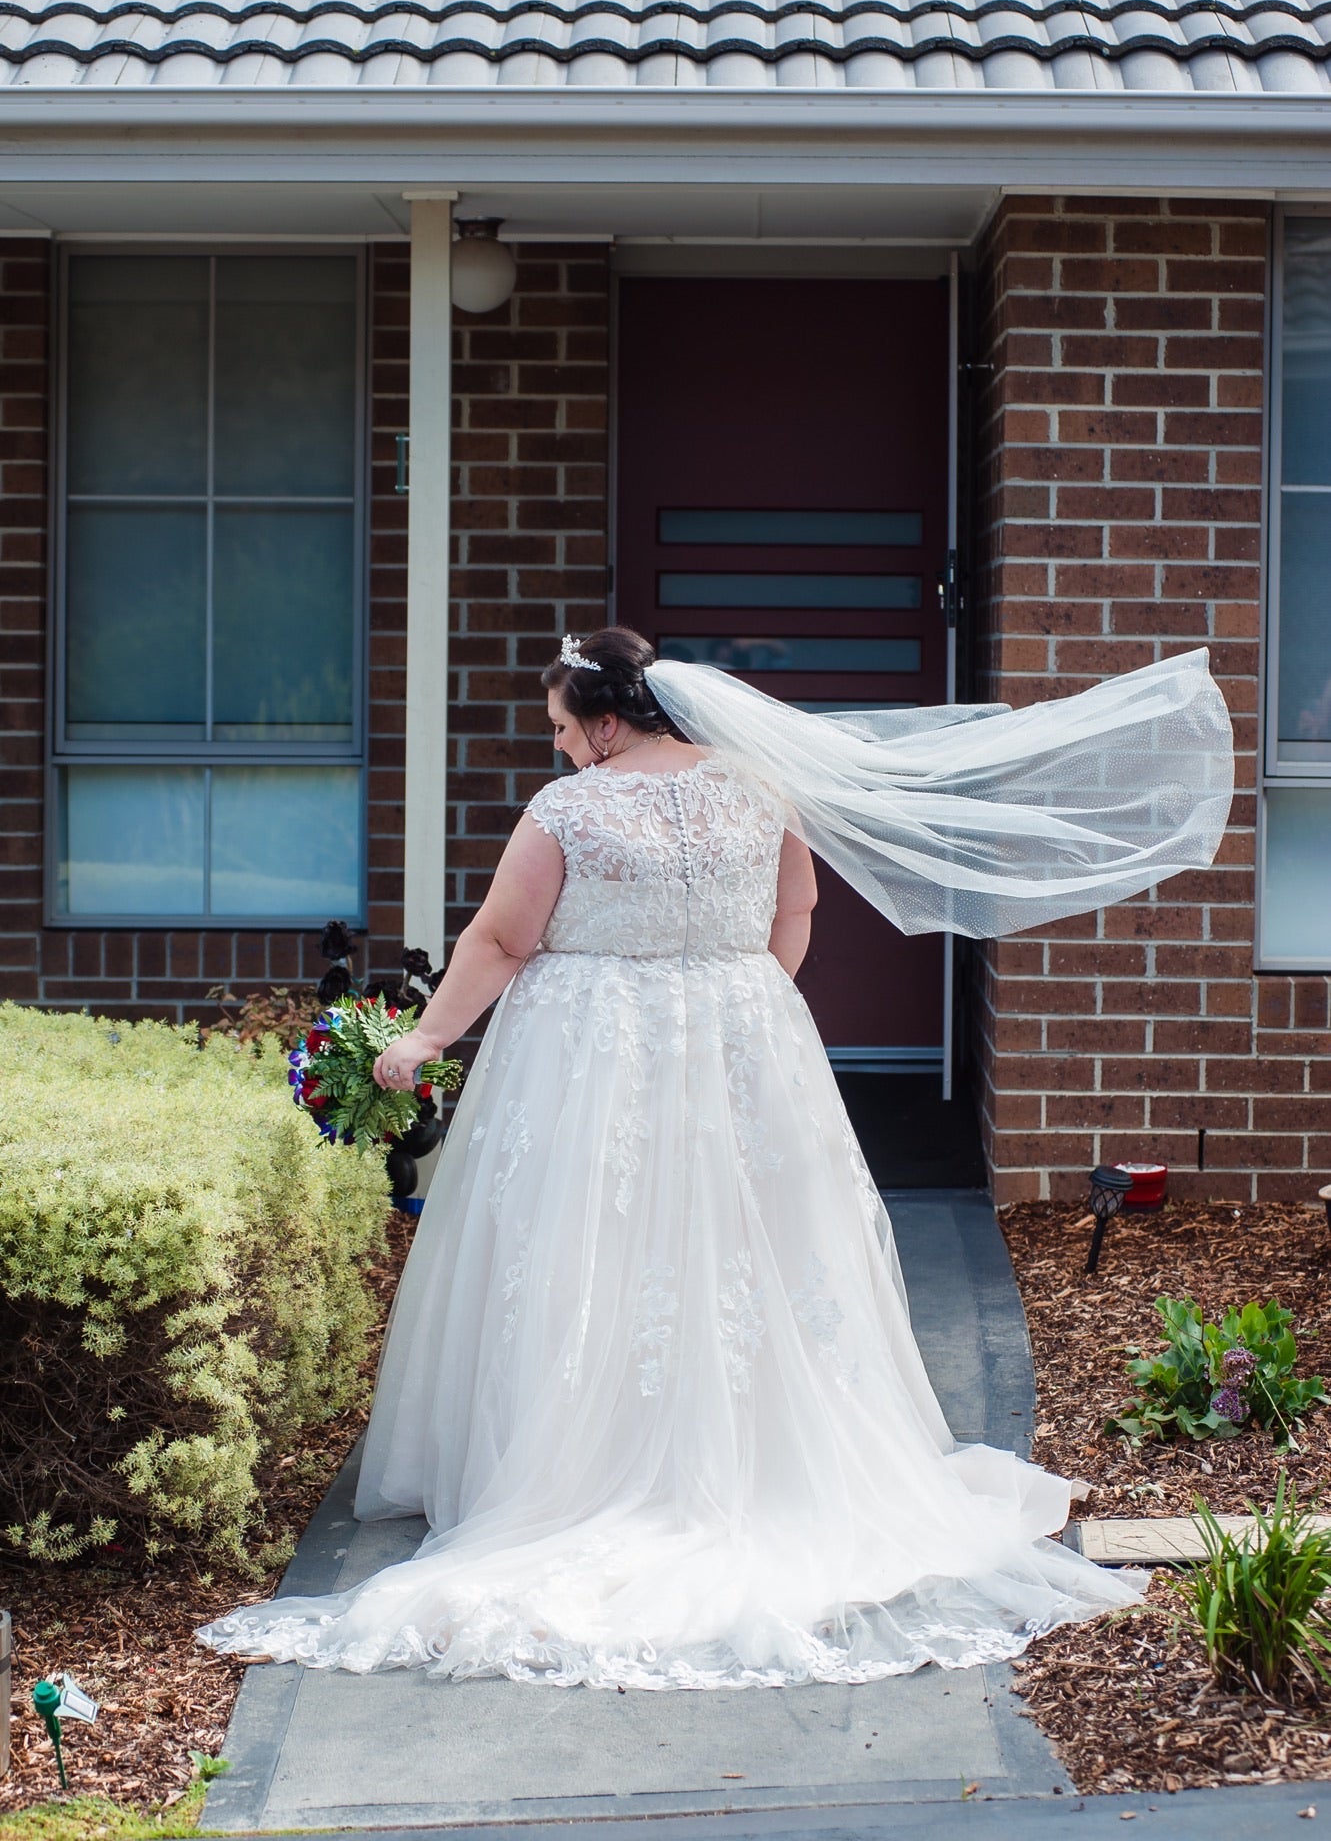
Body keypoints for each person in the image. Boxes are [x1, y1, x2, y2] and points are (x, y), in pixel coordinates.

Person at [199, 626, 1232, 1686]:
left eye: (561, 728)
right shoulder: (759, 787)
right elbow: (798, 912)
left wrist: (421, 1041)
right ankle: (760, 1455)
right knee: (753, 1246)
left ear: (603, 723)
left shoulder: (569, 810)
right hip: (744, 1039)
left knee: (592, 1239)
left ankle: (575, 1466)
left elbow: (502, 942)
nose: (557, 749)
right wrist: (738, 1000)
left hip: (595, 1052)